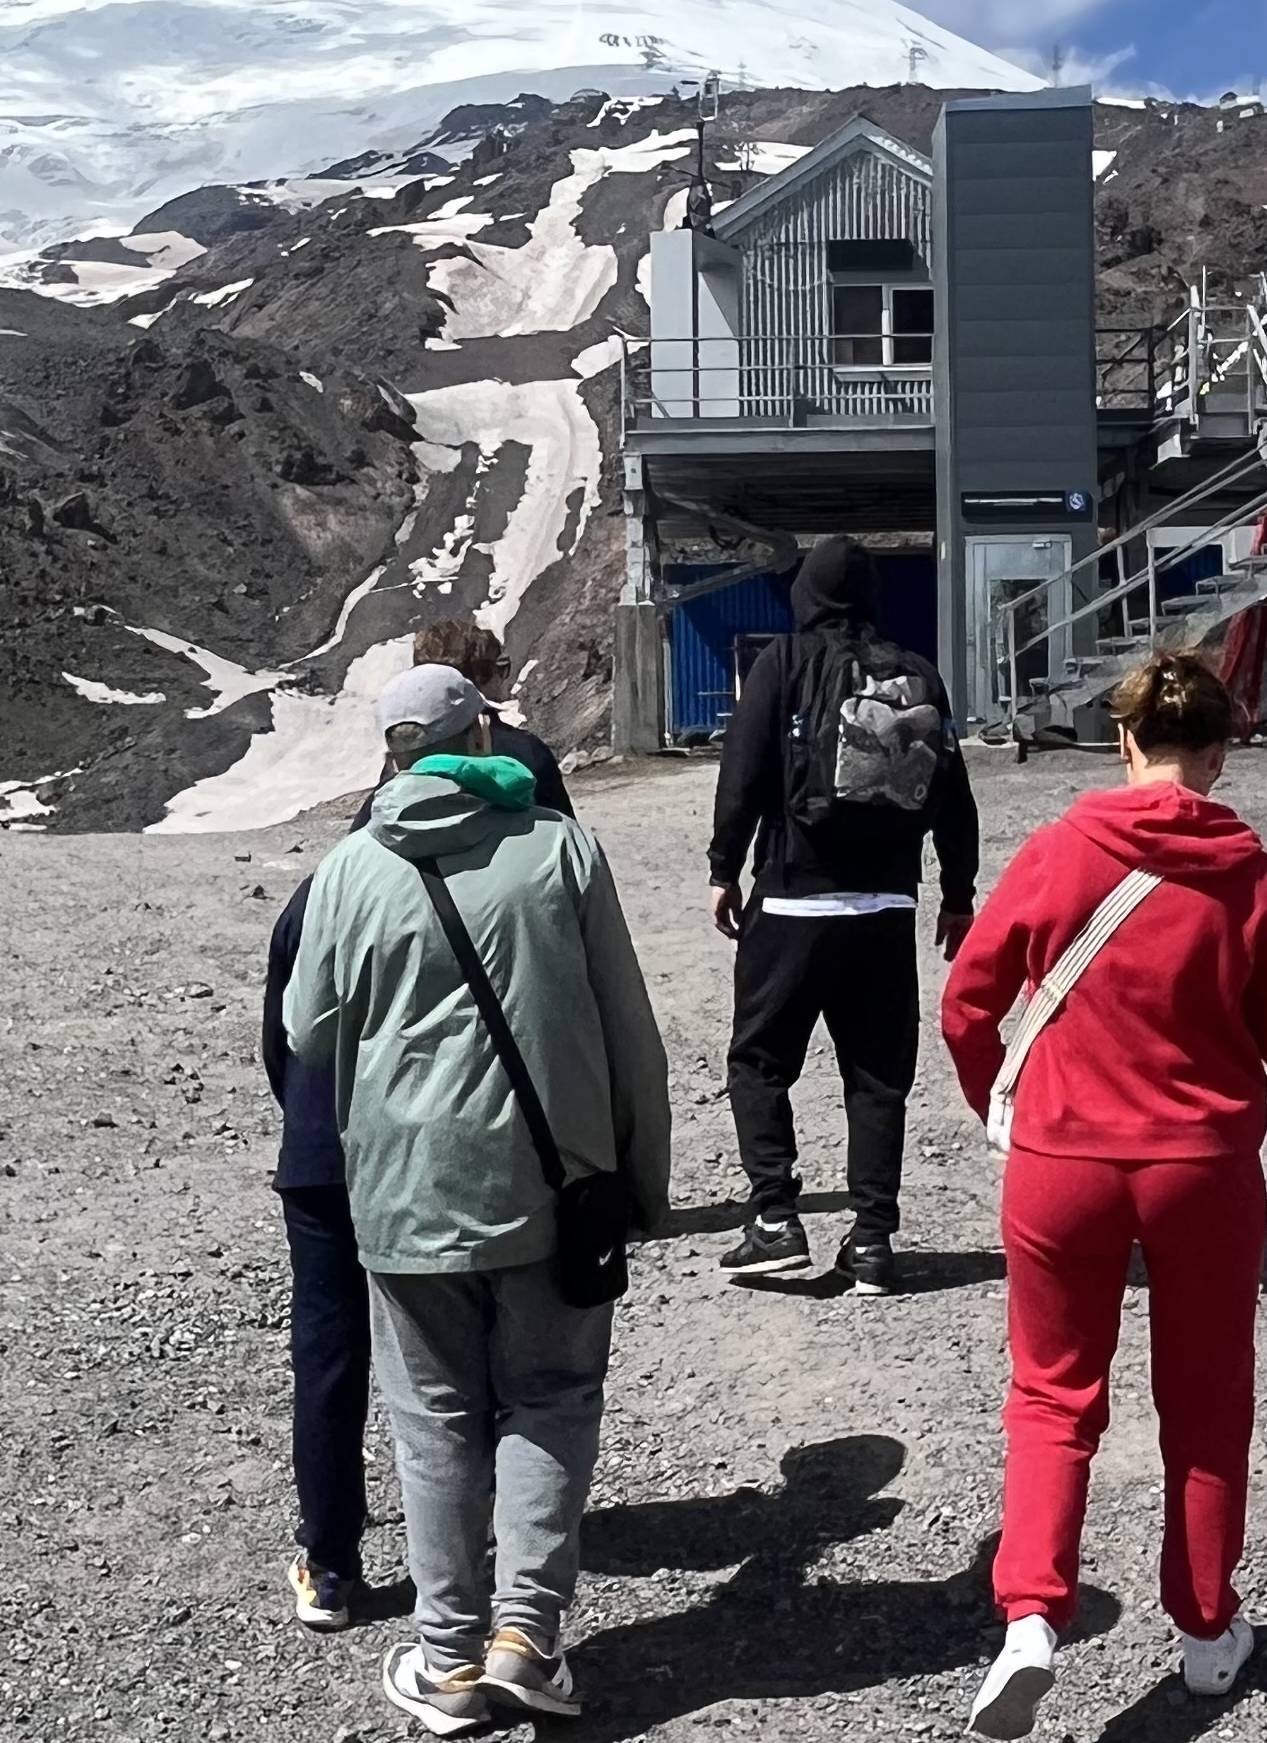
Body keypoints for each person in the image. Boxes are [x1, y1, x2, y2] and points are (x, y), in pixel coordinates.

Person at [939, 651, 1267, 1738]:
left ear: (1123, 742)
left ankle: (1030, 1621)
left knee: (1053, 1396)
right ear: (1217, 752)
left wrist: (995, 1105)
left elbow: (968, 1001)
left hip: (1062, 1161)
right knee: (1204, 1401)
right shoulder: (1248, 871)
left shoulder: (1061, 851)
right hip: (1201, 1165)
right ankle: (1206, 1633)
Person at [287, 664, 672, 1735]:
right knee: (550, 1396)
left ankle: (449, 1658)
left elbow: (310, 1033)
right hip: (556, 1184)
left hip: (405, 1192)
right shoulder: (557, 848)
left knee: (434, 1420)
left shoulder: (349, 868)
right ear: (482, 731)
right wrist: (643, 1181)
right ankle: (527, 1639)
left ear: (392, 754)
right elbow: (629, 1031)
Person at [258, 638, 580, 1633]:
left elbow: (290, 1030)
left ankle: (329, 1560)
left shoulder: (335, 878)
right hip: (426, 1153)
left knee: (330, 1353)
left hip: (324, 1150)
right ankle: (475, 1556)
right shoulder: (518, 866)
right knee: (461, 1365)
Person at [706, 535, 978, 1293]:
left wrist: (724, 869)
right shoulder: (916, 673)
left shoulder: (784, 663)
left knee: (760, 1060)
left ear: (807, 595)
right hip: (886, 904)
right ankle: (873, 1240)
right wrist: (958, 890)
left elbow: (745, 772)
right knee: (877, 1074)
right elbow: (952, 793)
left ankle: (774, 1220)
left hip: (794, 897)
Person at [411, 618, 576, 818]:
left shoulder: (407, 755)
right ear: (483, 676)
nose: (503, 678)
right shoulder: (525, 752)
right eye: (501, 668)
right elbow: (564, 828)